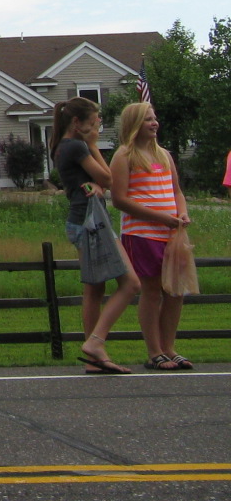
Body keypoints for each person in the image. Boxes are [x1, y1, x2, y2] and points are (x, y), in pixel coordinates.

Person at [49, 97, 138, 374]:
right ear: (77, 123)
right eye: (92, 122)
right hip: (92, 223)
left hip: (81, 221)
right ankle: (96, 343)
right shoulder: (76, 145)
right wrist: (92, 144)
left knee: (94, 289)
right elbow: (108, 178)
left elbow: (96, 181)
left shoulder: (60, 147)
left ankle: (95, 359)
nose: (97, 125)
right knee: (131, 284)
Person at [110, 101, 192, 369]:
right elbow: (120, 200)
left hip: (172, 234)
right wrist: (161, 218)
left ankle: (170, 348)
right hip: (142, 234)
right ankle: (154, 351)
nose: (154, 123)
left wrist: (181, 213)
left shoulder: (164, 155)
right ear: (134, 124)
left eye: (154, 118)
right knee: (153, 290)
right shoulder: (124, 155)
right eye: (147, 119)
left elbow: (176, 191)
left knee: (175, 291)